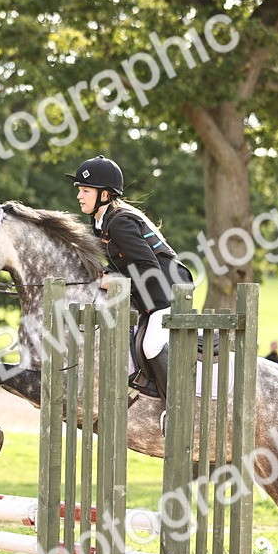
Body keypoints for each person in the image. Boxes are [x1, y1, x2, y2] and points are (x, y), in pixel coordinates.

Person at [67, 155, 192, 402]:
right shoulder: (101, 222)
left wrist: (113, 280)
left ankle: (175, 405)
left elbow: (148, 268)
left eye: (85, 190)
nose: (79, 196)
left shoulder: (120, 222)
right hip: (147, 292)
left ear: (104, 195)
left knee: (151, 345)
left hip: (166, 291)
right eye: (80, 190)